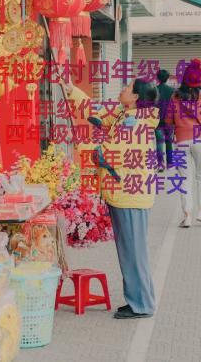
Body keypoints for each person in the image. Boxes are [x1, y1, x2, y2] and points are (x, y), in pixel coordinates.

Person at [66, 78, 160, 320]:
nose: (123, 89)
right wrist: (73, 92)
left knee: (134, 252)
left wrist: (87, 148)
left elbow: (111, 152)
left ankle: (141, 304)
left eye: (128, 88)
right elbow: (98, 115)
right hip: (124, 193)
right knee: (131, 251)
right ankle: (139, 300)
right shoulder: (124, 114)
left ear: (137, 97)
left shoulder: (135, 122)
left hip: (130, 195)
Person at [166, 59, 201, 228]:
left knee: (184, 178)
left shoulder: (175, 97)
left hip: (181, 140)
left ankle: (187, 215)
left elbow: (168, 120)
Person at [154, 69, 174, 172]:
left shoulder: (154, 90)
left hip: (157, 120)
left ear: (158, 78)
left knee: (159, 142)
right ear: (167, 78)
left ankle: (160, 164)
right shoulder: (171, 90)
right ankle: (170, 163)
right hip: (169, 120)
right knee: (169, 141)